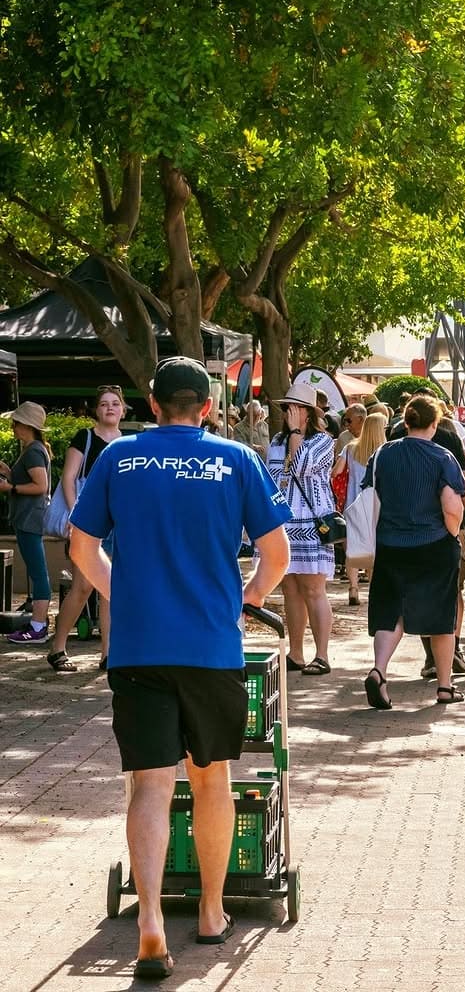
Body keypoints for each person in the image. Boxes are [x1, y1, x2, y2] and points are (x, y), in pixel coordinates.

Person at [68, 355, 290, 979]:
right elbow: (276, 554)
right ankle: (213, 910)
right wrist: (245, 599)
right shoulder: (236, 460)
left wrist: (119, 593)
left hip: (139, 647)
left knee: (149, 784)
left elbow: (82, 547)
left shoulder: (118, 458)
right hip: (211, 647)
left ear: (153, 404)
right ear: (209, 408)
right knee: (212, 778)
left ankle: (150, 923)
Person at [362, 394, 465, 709]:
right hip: (433, 545)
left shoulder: (382, 454)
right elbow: (452, 506)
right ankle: (445, 686)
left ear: (405, 422)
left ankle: (379, 671)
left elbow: (370, 496)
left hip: (389, 545)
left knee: (390, 613)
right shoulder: (443, 457)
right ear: (434, 424)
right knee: (441, 618)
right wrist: (452, 533)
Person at [47, 385, 127, 672]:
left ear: (123, 409)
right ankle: (57, 648)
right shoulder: (85, 438)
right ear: (96, 409)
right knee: (82, 586)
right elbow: (69, 478)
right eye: (104, 403)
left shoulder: (126, 442)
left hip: (117, 524)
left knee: (110, 589)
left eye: (115, 403)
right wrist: (74, 514)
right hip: (87, 523)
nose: (109, 408)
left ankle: (108, 653)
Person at [266, 382, 337, 676]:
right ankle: (296, 653)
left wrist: (296, 434)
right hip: (285, 523)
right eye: (286, 408)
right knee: (290, 589)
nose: (288, 414)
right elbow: (274, 475)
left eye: (294, 409)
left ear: (308, 413)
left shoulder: (323, 442)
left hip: (311, 523)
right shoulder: (276, 442)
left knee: (313, 588)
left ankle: (322, 655)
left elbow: (300, 467)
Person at [0, 402, 52, 643]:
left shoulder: (33, 451)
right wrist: (10, 473)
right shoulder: (34, 449)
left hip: (30, 519)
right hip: (28, 518)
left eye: (16, 423)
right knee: (36, 571)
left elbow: (40, 486)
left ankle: (38, 626)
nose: (13, 427)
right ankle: (37, 623)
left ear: (27, 426)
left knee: (38, 573)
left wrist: (10, 486)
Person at [332, 412, 387, 604]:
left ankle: (353, 588)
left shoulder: (350, 448)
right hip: (378, 505)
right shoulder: (385, 450)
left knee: (353, 549)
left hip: (353, 504)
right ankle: (373, 588)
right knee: (374, 547)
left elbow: (336, 472)